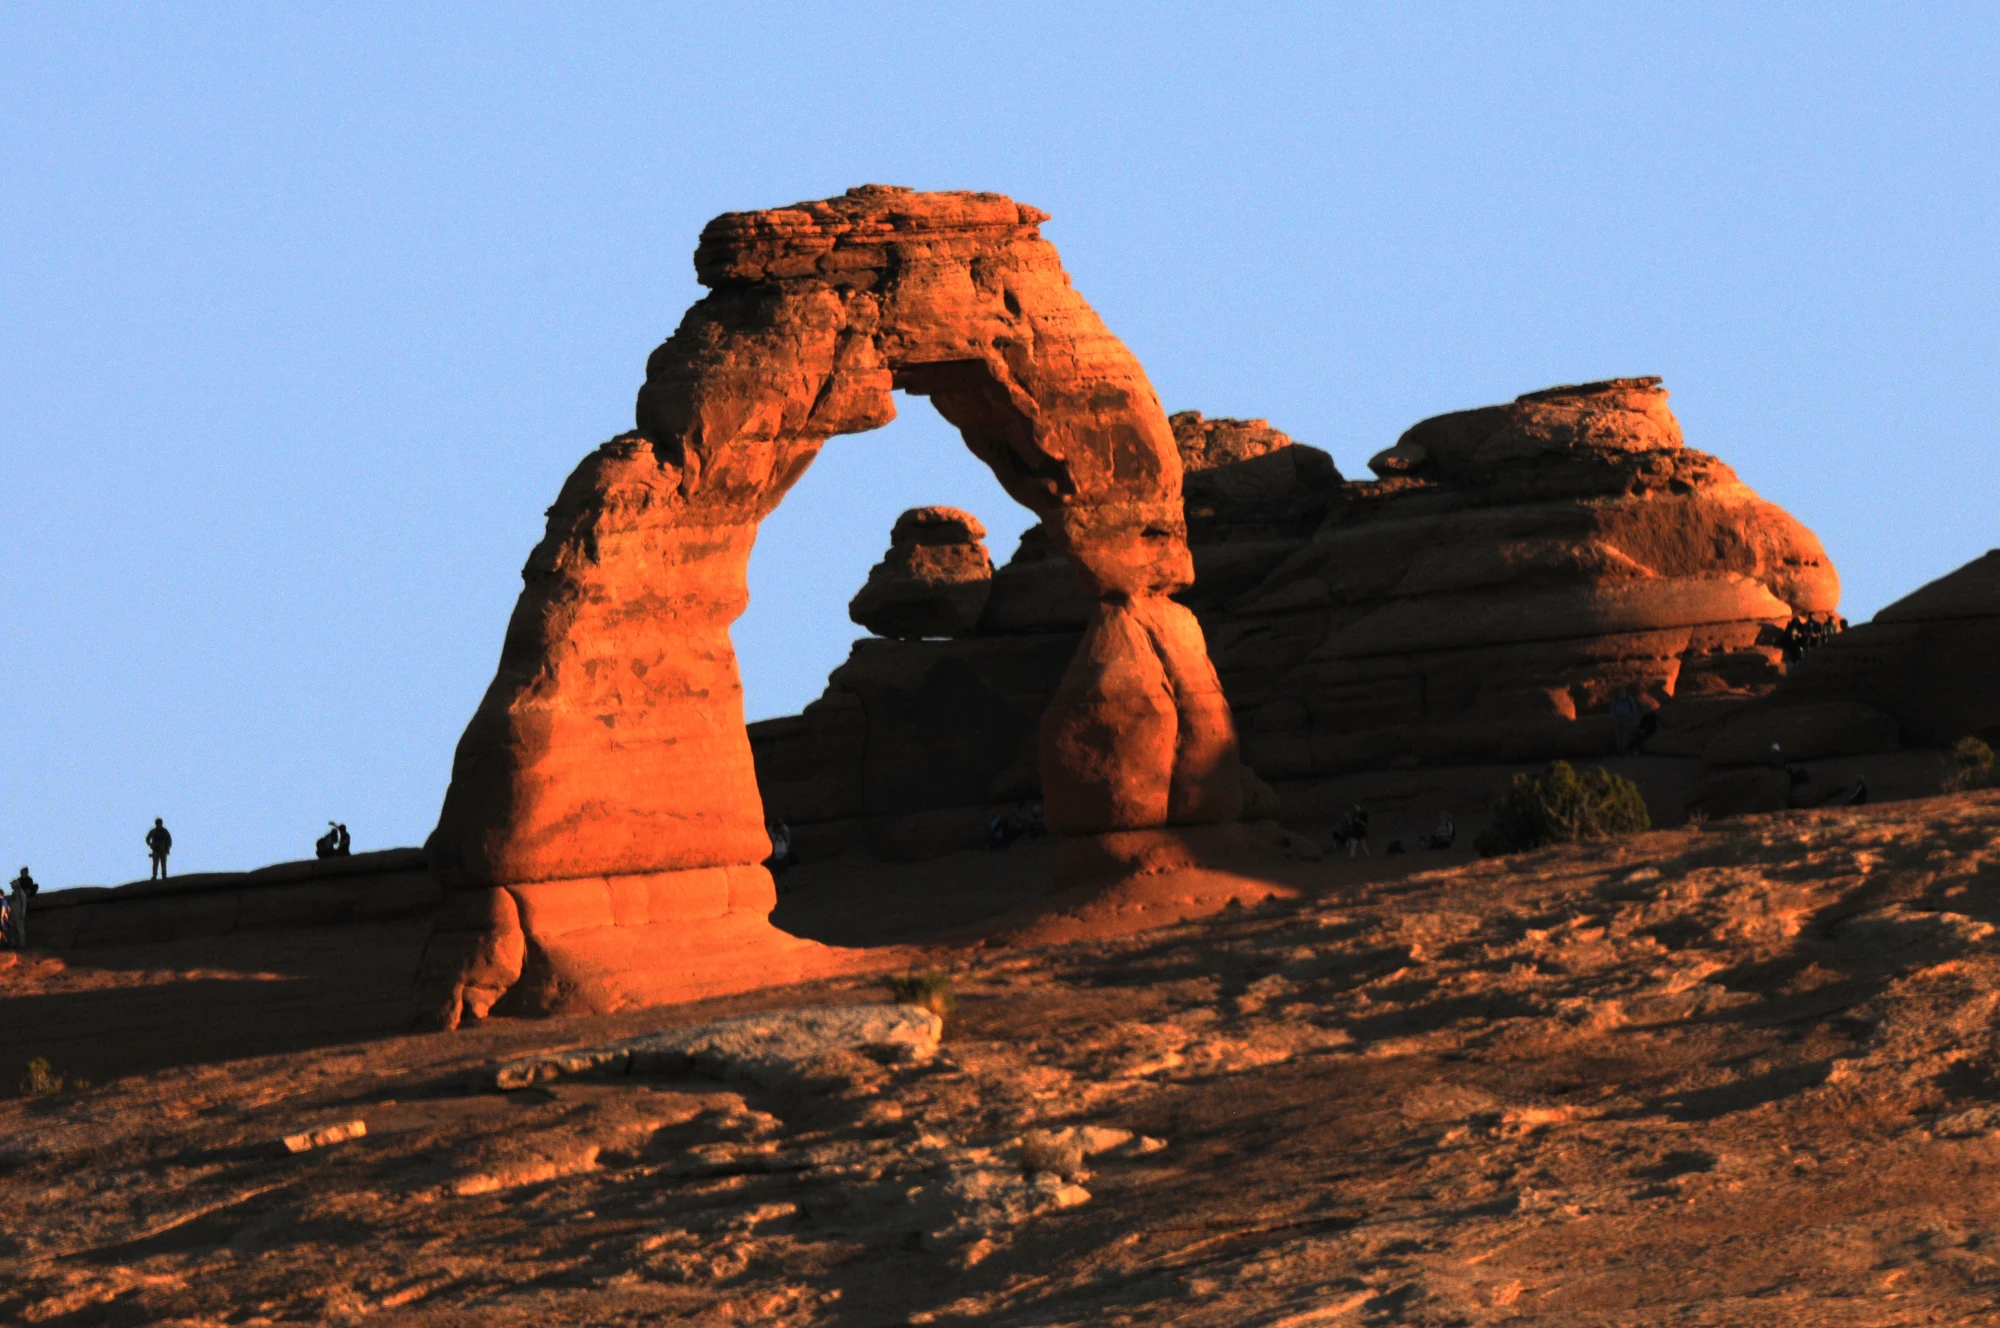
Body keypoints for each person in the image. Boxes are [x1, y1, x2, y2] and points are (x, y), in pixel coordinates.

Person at [4, 866, 33, 949]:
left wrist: (23, 912)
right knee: (12, 928)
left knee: (19, 928)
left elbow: (23, 903)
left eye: (12, 884)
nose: (11, 886)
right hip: (13, 913)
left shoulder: (21, 893)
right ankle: (13, 943)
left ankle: (21, 944)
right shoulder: (14, 893)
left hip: (18, 913)